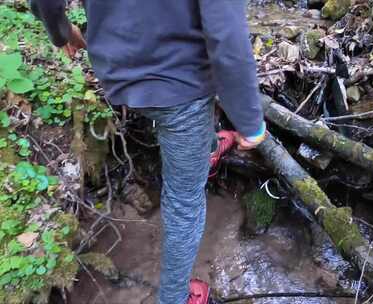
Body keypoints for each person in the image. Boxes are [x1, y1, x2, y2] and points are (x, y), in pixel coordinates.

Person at [29, 1, 266, 303]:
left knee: (187, 128)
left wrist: (61, 31)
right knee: (183, 202)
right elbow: (226, 34)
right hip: (182, 87)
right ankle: (174, 298)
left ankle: (205, 149)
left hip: (116, 72)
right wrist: (249, 121)